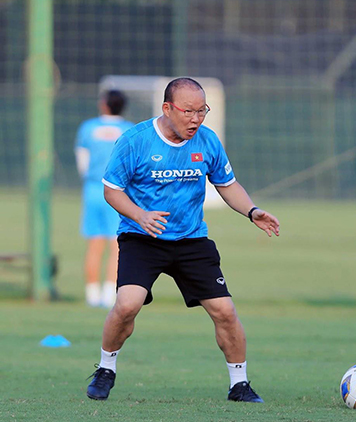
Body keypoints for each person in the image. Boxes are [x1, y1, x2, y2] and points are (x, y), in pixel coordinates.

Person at [86, 77, 280, 403]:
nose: (196, 119)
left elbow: (227, 184)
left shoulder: (207, 141)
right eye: (188, 111)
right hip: (142, 237)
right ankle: (106, 369)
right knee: (127, 305)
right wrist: (139, 215)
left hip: (191, 240)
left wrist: (252, 210)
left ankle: (239, 384)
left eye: (202, 111)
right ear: (167, 108)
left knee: (225, 311)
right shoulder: (135, 141)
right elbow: (112, 190)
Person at [75, 90, 133, 308]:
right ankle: (109, 295)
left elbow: (82, 162)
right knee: (117, 245)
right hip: (119, 192)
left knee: (94, 244)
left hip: (93, 189)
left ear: (104, 104)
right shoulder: (129, 130)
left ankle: (92, 295)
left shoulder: (88, 128)